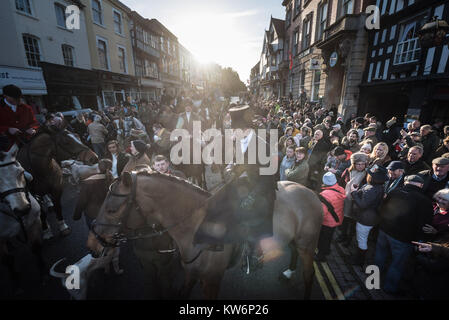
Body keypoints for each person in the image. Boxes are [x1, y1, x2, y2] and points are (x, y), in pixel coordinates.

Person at [194, 105, 277, 271]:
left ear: (245, 129)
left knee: (250, 215)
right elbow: (238, 162)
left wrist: (252, 196)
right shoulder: (239, 141)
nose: (232, 134)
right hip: (243, 184)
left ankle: (253, 254)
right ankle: (215, 239)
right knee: (217, 201)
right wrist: (230, 167)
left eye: (234, 130)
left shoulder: (263, 145)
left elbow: (268, 178)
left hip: (261, 190)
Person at [375, 175, 433, 295]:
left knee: (380, 255)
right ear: (421, 185)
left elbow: (382, 208)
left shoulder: (394, 191)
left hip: (384, 231)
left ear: (406, 182)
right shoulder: (424, 200)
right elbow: (424, 224)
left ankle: (373, 279)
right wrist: (420, 240)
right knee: (397, 264)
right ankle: (389, 288)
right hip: (403, 239)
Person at [350, 164, 388, 266]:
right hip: (371, 217)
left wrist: (353, 193)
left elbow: (362, 204)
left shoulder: (372, 189)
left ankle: (359, 260)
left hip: (365, 219)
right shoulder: (378, 187)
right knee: (362, 238)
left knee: (362, 240)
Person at [337, 152, 368, 246]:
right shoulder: (348, 171)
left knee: (353, 222)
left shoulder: (367, 174)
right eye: (358, 164)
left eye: (363, 164)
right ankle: (343, 235)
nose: (361, 166)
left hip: (357, 201)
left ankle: (349, 239)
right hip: (346, 199)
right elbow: (341, 183)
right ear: (353, 164)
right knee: (345, 219)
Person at [315, 172, 346, 261]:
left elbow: (322, 212)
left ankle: (321, 256)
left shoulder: (325, 194)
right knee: (329, 237)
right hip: (336, 219)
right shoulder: (341, 189)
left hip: (327, 222)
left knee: (323, 239)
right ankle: (327, 250)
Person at [0, 84, 39, 150]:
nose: (18, 100)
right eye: (14, 98)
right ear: (5, 96)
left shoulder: (26, 108)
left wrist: (33, 128)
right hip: (5, 147)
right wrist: (7, 129)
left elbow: (34, 122)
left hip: (27, 144)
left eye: (19, 98)